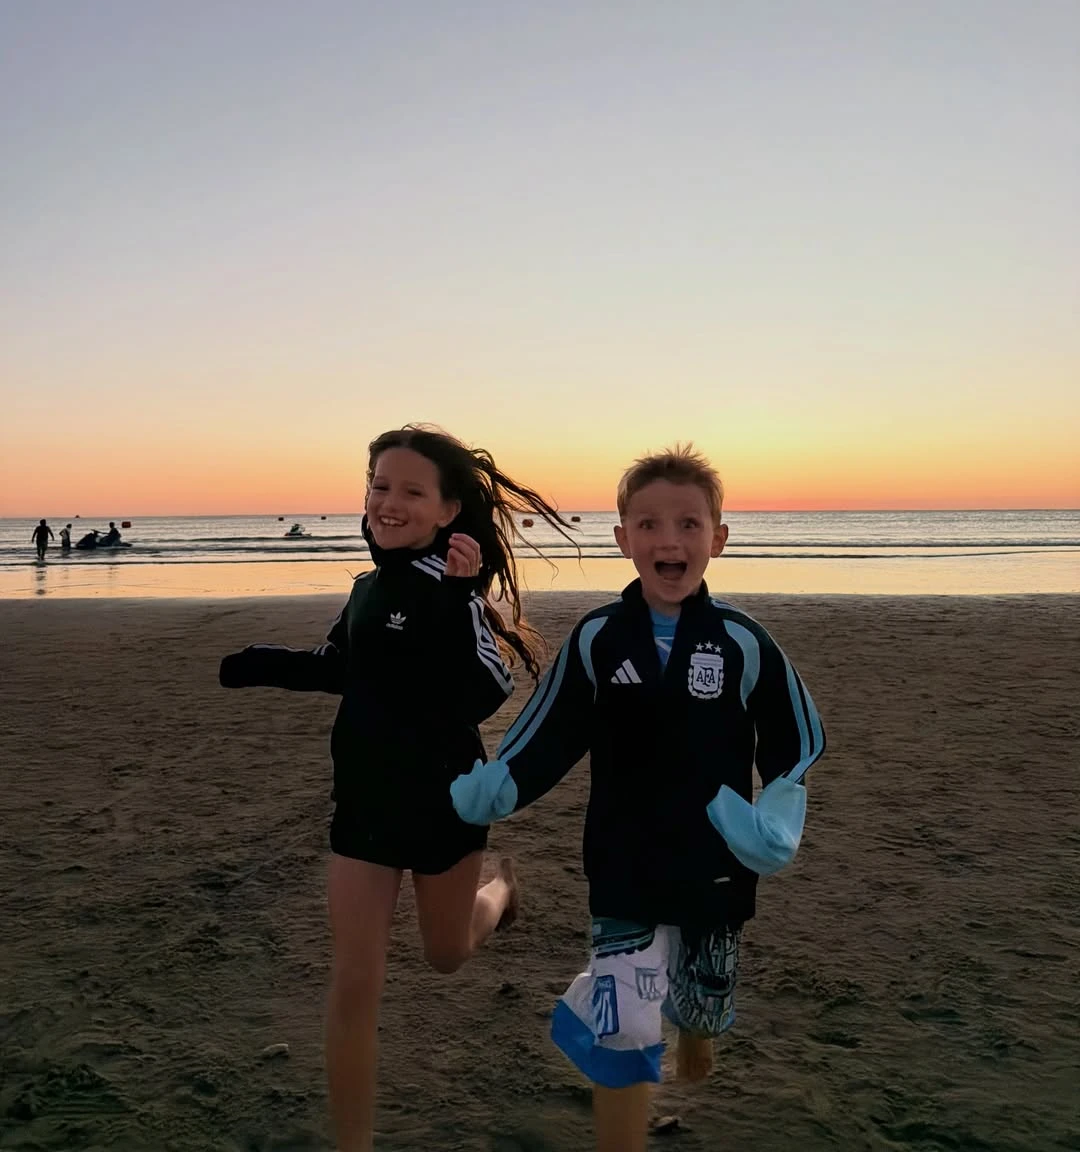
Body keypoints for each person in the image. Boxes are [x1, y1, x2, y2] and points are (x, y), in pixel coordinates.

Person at [452, 445, 826, 1152]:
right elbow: (549, 730)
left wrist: (777, 806)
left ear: (718, 538)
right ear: (624, 538)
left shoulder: (743, 642)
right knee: (626, 1020)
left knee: (703, 1005)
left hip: (716, 863)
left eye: (689, 524)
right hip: (623, 861)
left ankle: (696, 1027)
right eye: (649, 525)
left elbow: (795, 731)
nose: (669, 540)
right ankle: (624, 1096)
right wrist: (502, 783)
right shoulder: (599, 637)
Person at [219, 425, 572, 1152]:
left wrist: (456, 599)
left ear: (446, 512)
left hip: (445, 806)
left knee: (445, 956)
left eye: (411, 490)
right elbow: (341, 667)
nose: (389, 501)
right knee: (355, 982)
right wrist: (260, 663)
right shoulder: (365, 591)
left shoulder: (457, 595)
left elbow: (484, 691)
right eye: (380, 485)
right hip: (365, 806)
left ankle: (498, 895)